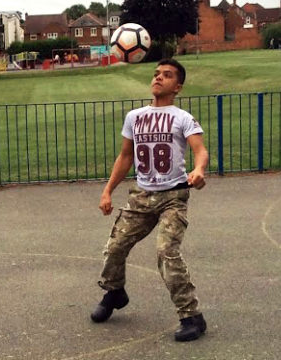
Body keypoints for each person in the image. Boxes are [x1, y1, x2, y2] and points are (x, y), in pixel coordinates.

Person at [91, 58, 209, 342]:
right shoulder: (135, 117)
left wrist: (198, 169)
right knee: (115, 247)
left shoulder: (182, 117)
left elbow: (200, 150)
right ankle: (115, 291)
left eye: (166, 76)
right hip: (142, 197)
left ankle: (192, 316)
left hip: (173, 197)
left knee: (166, 252)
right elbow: (125, 157)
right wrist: (107, 190)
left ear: (177, 86)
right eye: (156, 74)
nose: (158, 78)